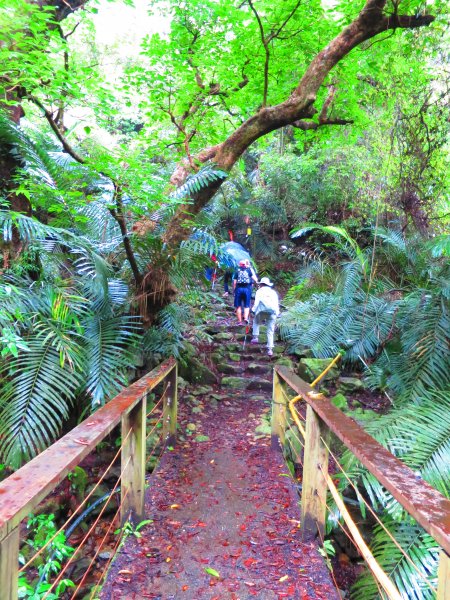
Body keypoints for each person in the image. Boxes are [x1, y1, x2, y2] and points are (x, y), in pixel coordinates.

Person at [251, 277, 280, 356]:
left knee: (256, 322)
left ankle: (255, 337)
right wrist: (277, 313)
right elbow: (276, 303)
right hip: (273, 312)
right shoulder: (273, 292)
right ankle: (270, 349)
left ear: (261, 284)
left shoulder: (259, 291)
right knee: (270, 330)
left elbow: (257, 302)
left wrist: (253, 310)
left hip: (262, 311)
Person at [233, 259, 258, 324]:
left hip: (239, 289)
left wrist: (234, 290)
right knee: (246, 305)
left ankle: (239, 321)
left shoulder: (237, 271)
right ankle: (246, 318)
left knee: (238, 306)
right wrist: (257, 284)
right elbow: (255, 279)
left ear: (239, 265)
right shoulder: (249, 270)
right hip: (247, 289)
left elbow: (235, 282)